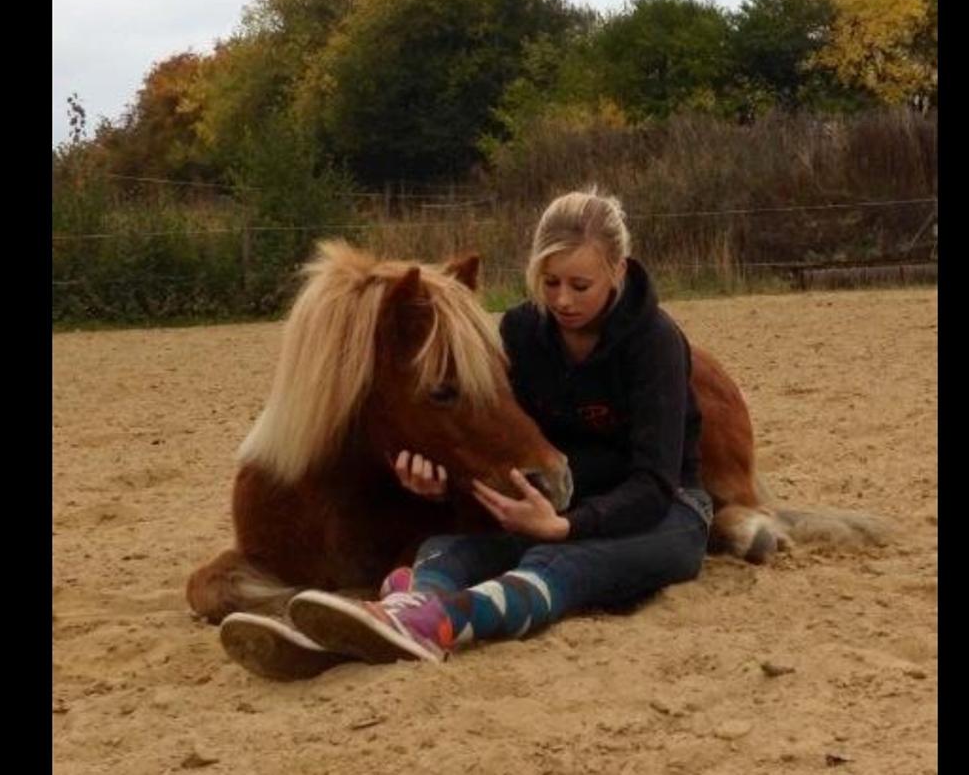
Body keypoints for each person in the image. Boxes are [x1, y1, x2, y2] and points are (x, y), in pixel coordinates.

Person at [223, 187, 713, 674]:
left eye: (579, 286)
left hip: (666, 511)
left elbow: (654, 484)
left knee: (559, 566)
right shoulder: (523, 332)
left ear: (618, 271)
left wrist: (565, 526)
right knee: (446, 550)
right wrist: (441, 489)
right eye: (550, 282)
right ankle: (393, 614)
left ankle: (444, 620)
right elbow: (487, 434)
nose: (562, 300)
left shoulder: (655, 343)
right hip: (558, 504)